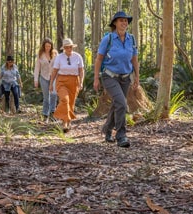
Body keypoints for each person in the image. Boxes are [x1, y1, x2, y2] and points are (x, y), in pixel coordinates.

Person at [93, 11, 140, 148]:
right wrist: (96, 78)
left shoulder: (131, 39)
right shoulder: (108, 39)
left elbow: (134, 59)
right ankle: (121, 135)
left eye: (126, 21)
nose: (124, 23)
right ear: (115, 23)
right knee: (121, 102)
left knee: (117, 104)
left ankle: (107, 130)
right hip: (109, 76)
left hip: (125, 78)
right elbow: (99, 59)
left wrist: (137, 76)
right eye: (121, 21)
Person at [50, 38, 84, 132]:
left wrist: (81, 82)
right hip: (62, 81)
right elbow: (55, 71)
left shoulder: (78, 56)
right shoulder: (59, 57)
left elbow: (81, 71)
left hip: (74, 81)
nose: (69, 49)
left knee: (71, 103)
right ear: (64, 48)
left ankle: (68, 121)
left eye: (70, 47)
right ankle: (64, 123)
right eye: (67, 47)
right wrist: (51, 83)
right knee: (65, 99)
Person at [33, 38, 58, 120]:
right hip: (43, 77)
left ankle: (52, 112)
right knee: (46, 97)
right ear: (43, 46)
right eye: (46, 46)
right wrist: (35, 80)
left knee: (54, 94)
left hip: (53, 77)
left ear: (51, 46)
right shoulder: (40, 54)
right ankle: (45, 114)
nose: (48, 48)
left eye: (49, 46)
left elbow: (58, 66)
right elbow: (37, 67)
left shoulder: (55, 53)